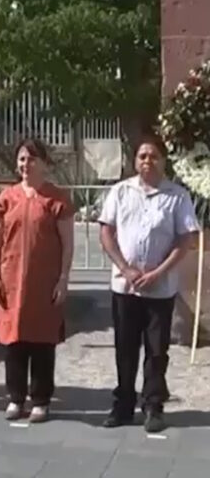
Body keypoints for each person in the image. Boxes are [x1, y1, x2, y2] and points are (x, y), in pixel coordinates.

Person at [98, 134, 200, 433]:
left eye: (154, 156)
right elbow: (106, 232)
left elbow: (186, 239)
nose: (147, 161)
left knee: (156, 351)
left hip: (160, 288)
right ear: (134, 161)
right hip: (125, 286)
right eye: (142, 156)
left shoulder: (177, 196)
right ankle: (123, 405)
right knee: (125, 348)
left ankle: (153, 405)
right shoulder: (120, 192)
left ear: (163, 160)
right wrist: (125, 268)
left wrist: (159, 272)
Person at [0, 138, 74, 423]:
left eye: (32, 159)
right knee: (14, 341)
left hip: (44, 282)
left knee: (42, 342)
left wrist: (63, 278)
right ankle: (16, 398)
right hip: (11, 280)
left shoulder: (56, 199)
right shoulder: (7, 198)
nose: (26, 164)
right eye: (22, 159)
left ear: (44, 163)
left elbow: (68, 243)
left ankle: (41, 400)